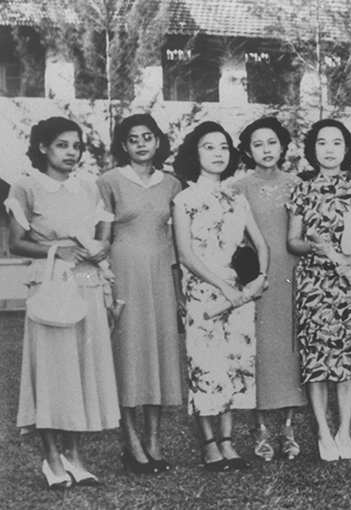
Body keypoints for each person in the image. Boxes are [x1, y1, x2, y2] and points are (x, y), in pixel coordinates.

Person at [6, 117, 119, 488]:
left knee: (81, 370)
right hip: (49, 284)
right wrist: (57, 249)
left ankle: (74, 456)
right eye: (62, 145)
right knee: (53, 373)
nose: (71, 153)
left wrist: (100, 245)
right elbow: (16, 242)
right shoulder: (25, 187)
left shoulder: (89, 186)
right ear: (43, 148)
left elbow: (104, 232)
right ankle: (51, 458)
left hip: (86, 282)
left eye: (76, 146)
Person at [172, 121, 269, 471]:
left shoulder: (236, 195)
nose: (217, 154)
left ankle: (229, 442)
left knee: (233, 365)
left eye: (223, 147)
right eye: (208, 147)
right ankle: (209, 443)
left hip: (239, 294)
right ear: (194, 154)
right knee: (205, 366)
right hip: (204, 294)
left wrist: (259, 277)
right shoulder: (184, 199)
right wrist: (221, 286)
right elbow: (185, 254)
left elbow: (259, 242)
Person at [287, 119, 351, 461]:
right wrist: (315, 248)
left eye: (336, 143)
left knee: (348, 357)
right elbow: (292, 241)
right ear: (312, 150)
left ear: (346, 148)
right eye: (322, 143)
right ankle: (323, 434)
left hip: (349, 282)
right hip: (314, 284)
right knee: (317, 359)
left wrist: (349, 260)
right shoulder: (303, 189)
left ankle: (344, 431)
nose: (329, 149)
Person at [97, 114, 183, 473]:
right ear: (123, 145)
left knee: (159, 355)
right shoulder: (109, 181)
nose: (142, 144)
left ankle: (153, 439)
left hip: (162, 275)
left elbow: (178, 243)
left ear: (158, 141)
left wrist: (180, 293)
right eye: (133, 139)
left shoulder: (174, 185)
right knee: (129, 355)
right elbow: (102, 238)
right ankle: (130, 441)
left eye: (148, 137)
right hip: (124, 273)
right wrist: (103, 284)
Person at [232, 118, 307, 461]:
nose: (266, 150)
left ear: (282, 147)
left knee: (291, 351)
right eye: (258, 144)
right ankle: (261, 427)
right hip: (256, 277)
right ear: (248, 150)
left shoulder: (298, 184)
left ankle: (289, 427)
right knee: (259, 351)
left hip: (293, 275)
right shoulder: (237, 187)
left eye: (272, 143)